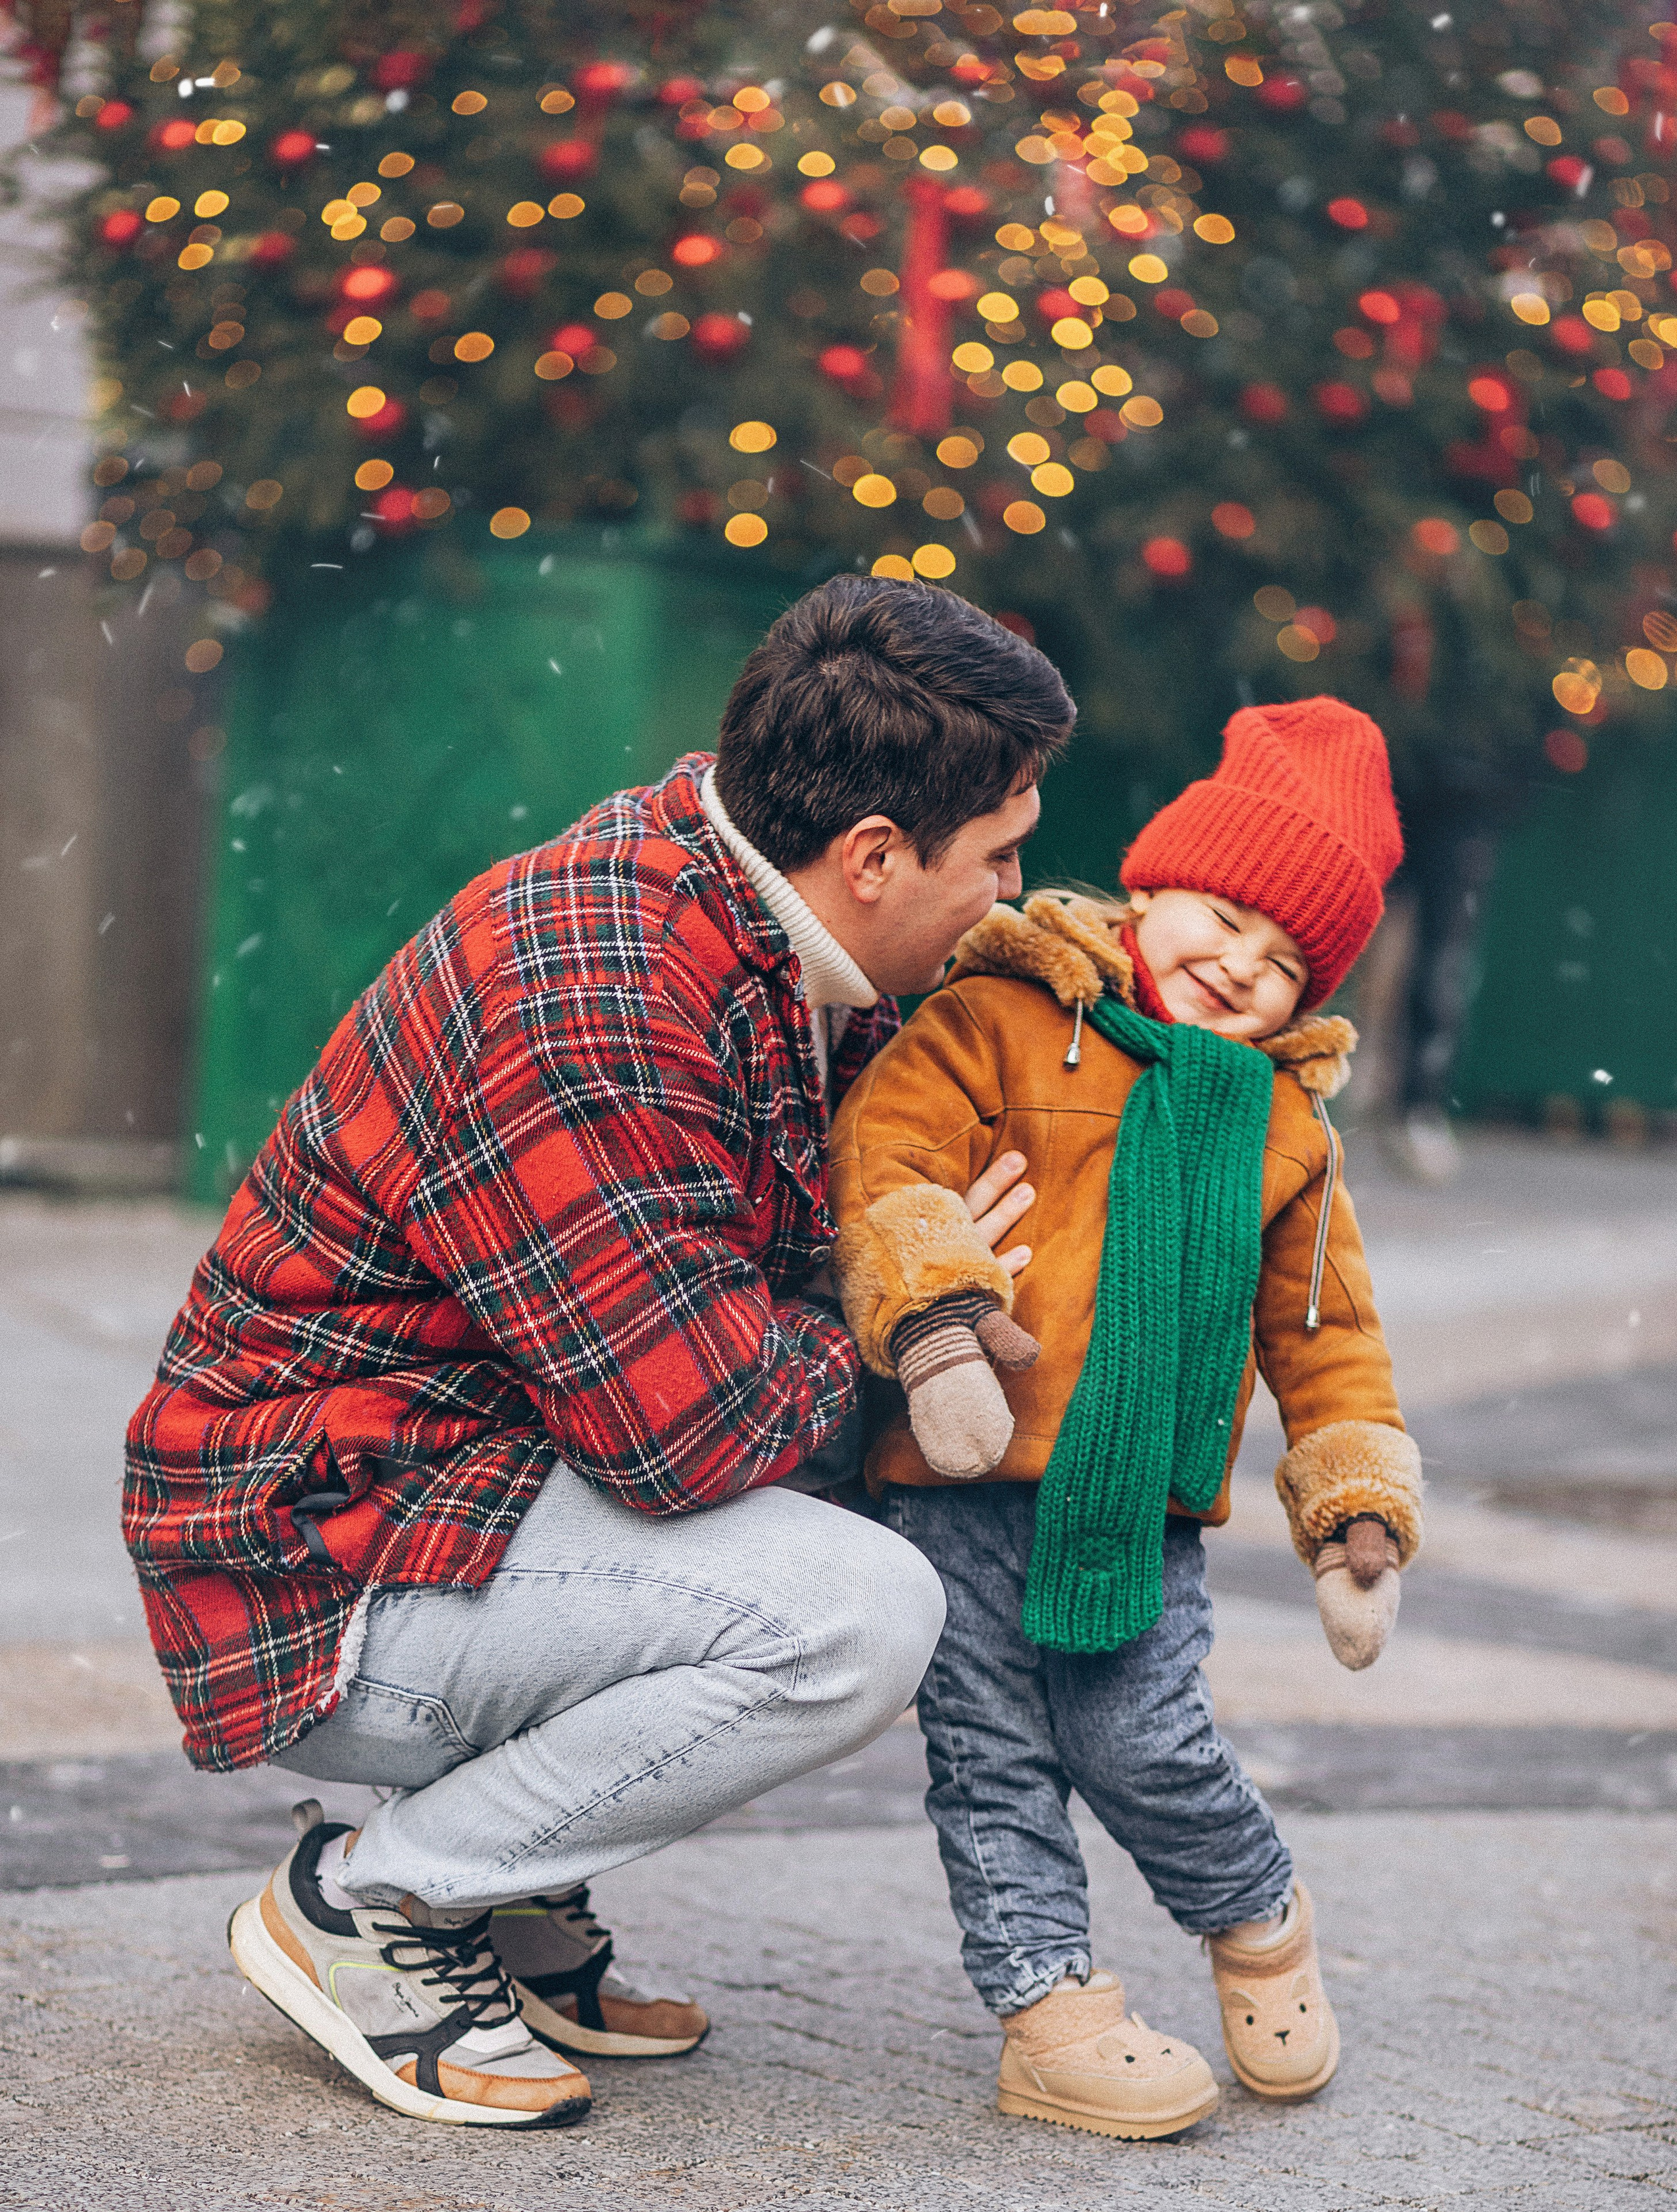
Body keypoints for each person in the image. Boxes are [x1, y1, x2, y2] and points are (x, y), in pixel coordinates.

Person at [122, 575, 1074, 2130]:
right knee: (851, 1613)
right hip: (319, 1562)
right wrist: (896, 1318)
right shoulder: (593, 990)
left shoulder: (736, 909)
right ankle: (380, 1902)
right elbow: (682, 1436)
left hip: (455, 1486)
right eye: (1000, 857)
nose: (1015, 897)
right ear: (875, 856)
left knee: (810, 1529)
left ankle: (514, 1890)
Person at [828, 696, 1424, 2140]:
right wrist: (935, 1316)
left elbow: (1322, 1329)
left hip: (1139, 1502)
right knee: (991, 1757)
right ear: (1148, 888)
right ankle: (1050, 2012)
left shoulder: (1282, 1130)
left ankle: (1256, 1916)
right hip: (951, 1477)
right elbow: (886, 1150)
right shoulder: (1002, 1014)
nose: (1237, 964)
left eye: (1283, 963)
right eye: (1224, 915)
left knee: (1143, 1741)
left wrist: (1351, 1508)